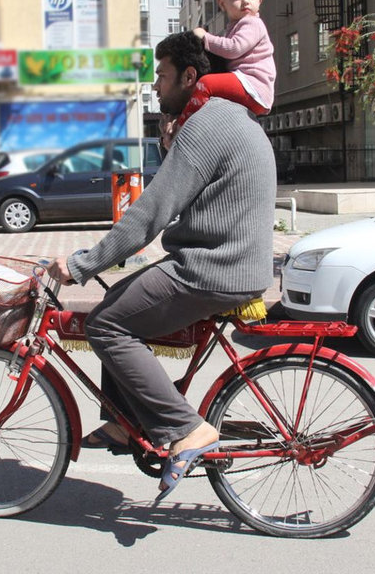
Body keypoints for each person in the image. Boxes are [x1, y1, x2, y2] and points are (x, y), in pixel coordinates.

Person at [47, 31, 276, 500]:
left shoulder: (207, 124)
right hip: (228, 262)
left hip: (214, 268)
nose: (155, 84)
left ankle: (184, 426)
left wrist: (83, 264)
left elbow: (150, 212)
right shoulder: (221, 118)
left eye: (162, 75)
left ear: (190, 76)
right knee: (117, 301)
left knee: (107, 326)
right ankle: (123, 423)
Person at [177, 0, 276, 131]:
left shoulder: (252, 23)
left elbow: (234, 48)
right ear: (222, 3)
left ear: (259, 1)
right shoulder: (235, 26)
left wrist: (205, 37)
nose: (245, 1)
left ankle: (183, 128)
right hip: (247, 85)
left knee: (206, 83)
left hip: (252, 84)